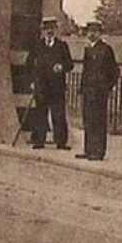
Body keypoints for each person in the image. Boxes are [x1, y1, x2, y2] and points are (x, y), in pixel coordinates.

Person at [26, 15, 74, 150]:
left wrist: (62, 67)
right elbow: (28, 64)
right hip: (41, 86)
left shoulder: (62, 46)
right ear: (43, 31)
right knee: (40, 113)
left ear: (56, 30)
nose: (49, 31)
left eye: (52, 28)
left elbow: (70, 64)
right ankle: (39, 140)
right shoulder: (37, 46)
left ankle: (61, 142)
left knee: (58, 114)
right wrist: (32, 81)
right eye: (46, 29)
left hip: (57, 86)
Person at [76, 20, 120, 161]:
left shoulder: (106, 49)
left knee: (99, 121)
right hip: (88, 91)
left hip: (100, 92)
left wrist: (106, 87)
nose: (92, 34)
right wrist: (82, 89)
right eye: (90, 31)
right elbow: (86, 71)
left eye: (95, 31)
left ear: (100, 33)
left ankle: (99, 152)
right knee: (88, 120)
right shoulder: (88, 49)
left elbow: (114, 71)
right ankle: (88, 150)